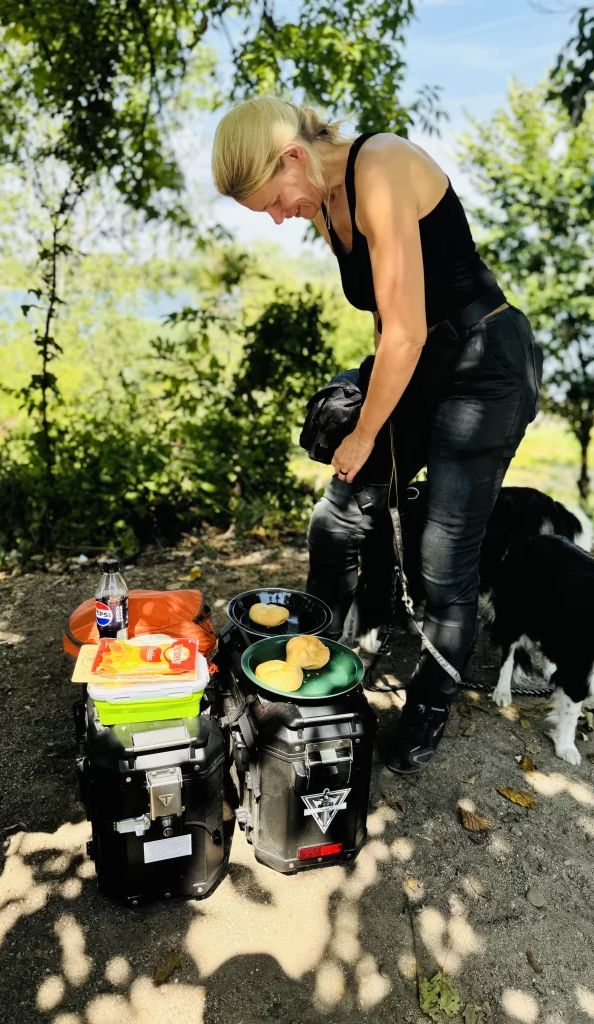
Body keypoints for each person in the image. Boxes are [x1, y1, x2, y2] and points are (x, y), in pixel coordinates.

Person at [211, 97, 541, 773]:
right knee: (337, 519)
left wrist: (365, 432)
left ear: (293, 157)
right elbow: (386, 321)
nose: (277, 218)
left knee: (444, 557)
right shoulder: (328, 207)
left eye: (273, 201)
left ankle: (428, 705)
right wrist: (371, 402)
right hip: (423, 367)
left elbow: (409, 328)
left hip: (487, 365)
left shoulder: (382, 166)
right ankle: (309, 662)